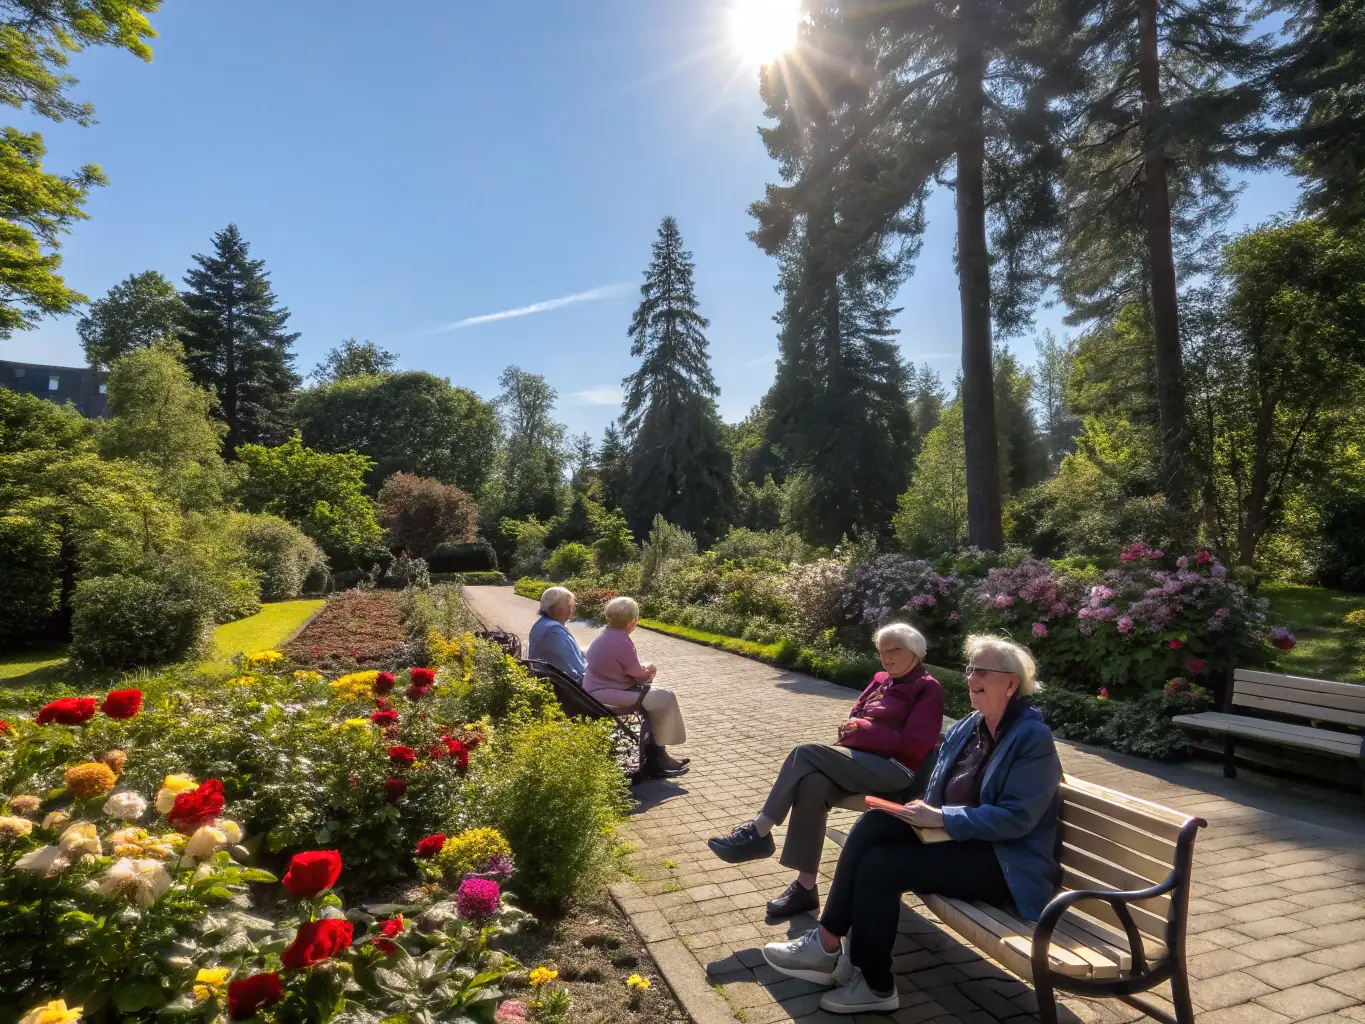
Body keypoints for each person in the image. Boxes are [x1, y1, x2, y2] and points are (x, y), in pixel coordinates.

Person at [761, 635, 1062, 1015]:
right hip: (958, 840)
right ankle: (826, 942)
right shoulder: (970, 726)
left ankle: (875, 985)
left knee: (883, 867)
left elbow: (1018, 818)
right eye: (971, 669)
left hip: (1004, 863)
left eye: (983, 672)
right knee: (875, 825)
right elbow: (939, 787)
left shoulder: (1031, 738)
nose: (972, 678)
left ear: (1011, 684)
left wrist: (941, 818)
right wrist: (919, 812)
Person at [706, 623, 944, 919]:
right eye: (881, 652)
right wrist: (857, 730)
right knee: (812, 785)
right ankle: (806, 887)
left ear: (915, 652)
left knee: (805, 753)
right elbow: (856, 714)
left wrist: (866, 732)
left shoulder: (927, 687)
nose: (886, 658)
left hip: (896, 772)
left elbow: (915, 745)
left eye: (893, 650)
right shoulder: (881, 679)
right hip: (859, 761)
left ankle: (759, 830)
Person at [584, 596, 690, 778]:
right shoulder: (621, 641)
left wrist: (643, 671)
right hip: (606, 694)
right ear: (633, 621)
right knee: (665, 697)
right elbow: (639, 675)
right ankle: (659, 755)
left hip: (599, 690)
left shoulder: (605, 636)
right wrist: (650, 670)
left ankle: (658, 755)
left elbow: (627, 668)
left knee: (655, 700)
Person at [527, 586, 587, 683]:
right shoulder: (553, 630)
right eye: (569, 605)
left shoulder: (544, 623)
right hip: (567, 688)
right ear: (554, 608)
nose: (572, 610)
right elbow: (575, 672)